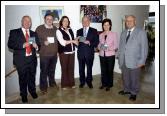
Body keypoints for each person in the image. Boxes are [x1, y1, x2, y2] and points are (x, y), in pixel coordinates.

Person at [8, 15, 40, 103]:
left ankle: (32, 91)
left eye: (29, 21)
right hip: (21, 61)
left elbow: (39, 46)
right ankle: (24, 95)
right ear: (22, 22)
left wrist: (36, 46)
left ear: (31, 24)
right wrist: (22, 45)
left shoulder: (34, 33)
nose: (27, 23)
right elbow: (10, 44)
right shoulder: (14, 32)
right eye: (25, 21)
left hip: (32, 59)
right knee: (22, 79)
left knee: (32, 77)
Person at [118, 15, 148, 101]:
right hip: (123, 60)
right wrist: (119, 56)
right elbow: (121, 46)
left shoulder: (141, 32)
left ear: (135, 22)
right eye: (127, 21)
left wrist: (142, 61)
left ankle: (134, 92)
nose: (128, 22)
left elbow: (144, 48)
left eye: (131, 20)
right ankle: (126, 90)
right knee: (125, 77)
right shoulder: (123, 32)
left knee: (134, 78)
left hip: (135, 61)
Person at [35, 13, 58, 94]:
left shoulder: (55, 28)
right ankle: (43, 87)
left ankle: (52, 83)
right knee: (44, 72)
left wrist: (57, 51)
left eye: (51, 19)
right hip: (44, 55)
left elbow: (58, 41)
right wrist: (43, 42)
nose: (49, 20)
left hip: (54, 55)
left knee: (52, 71)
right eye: (47, 19)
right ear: (44, 19)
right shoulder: (39, 28)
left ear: (53, 20)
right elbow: (36, 41)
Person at [56, 16, 78, 89]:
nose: (66, 22)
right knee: (64, 69)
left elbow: (72, 39)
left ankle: (71, 83)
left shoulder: (70, 30)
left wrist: (76, 40)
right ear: (61, 22)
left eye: (67, 21)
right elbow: (62, 42)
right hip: (64, 53)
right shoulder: (58, 31)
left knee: (71, 68)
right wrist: (73, 41)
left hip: (72, 52)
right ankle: (64, 84)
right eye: (64, 21)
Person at [76, 16, 99, 89]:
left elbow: (96, 42)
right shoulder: (78, 31)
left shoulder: (94, 30)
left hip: (89, 53)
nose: (85, 22)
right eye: (83, 21)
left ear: (89, 21)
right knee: (81, 69)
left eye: (86, 21)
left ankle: (89, 82)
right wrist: (76, 41)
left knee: (89, 69)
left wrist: (90, 43)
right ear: (82, 22)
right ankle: (82, 82)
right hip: (81, 53)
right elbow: (77, 42)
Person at [98, 18, 118, 91]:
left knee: (109, 70)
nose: (106, 26)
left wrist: (108, 48)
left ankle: (109, 85)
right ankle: (104, 84)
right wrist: (100, 47)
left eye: (107, 25)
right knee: (103, 70)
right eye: (104, 25)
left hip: (110, 55)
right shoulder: (101, 35)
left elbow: (116, 46)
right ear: (103, 26)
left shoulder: (114, 34)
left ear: (110, 26)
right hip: (102, 55)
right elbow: (99, 44)